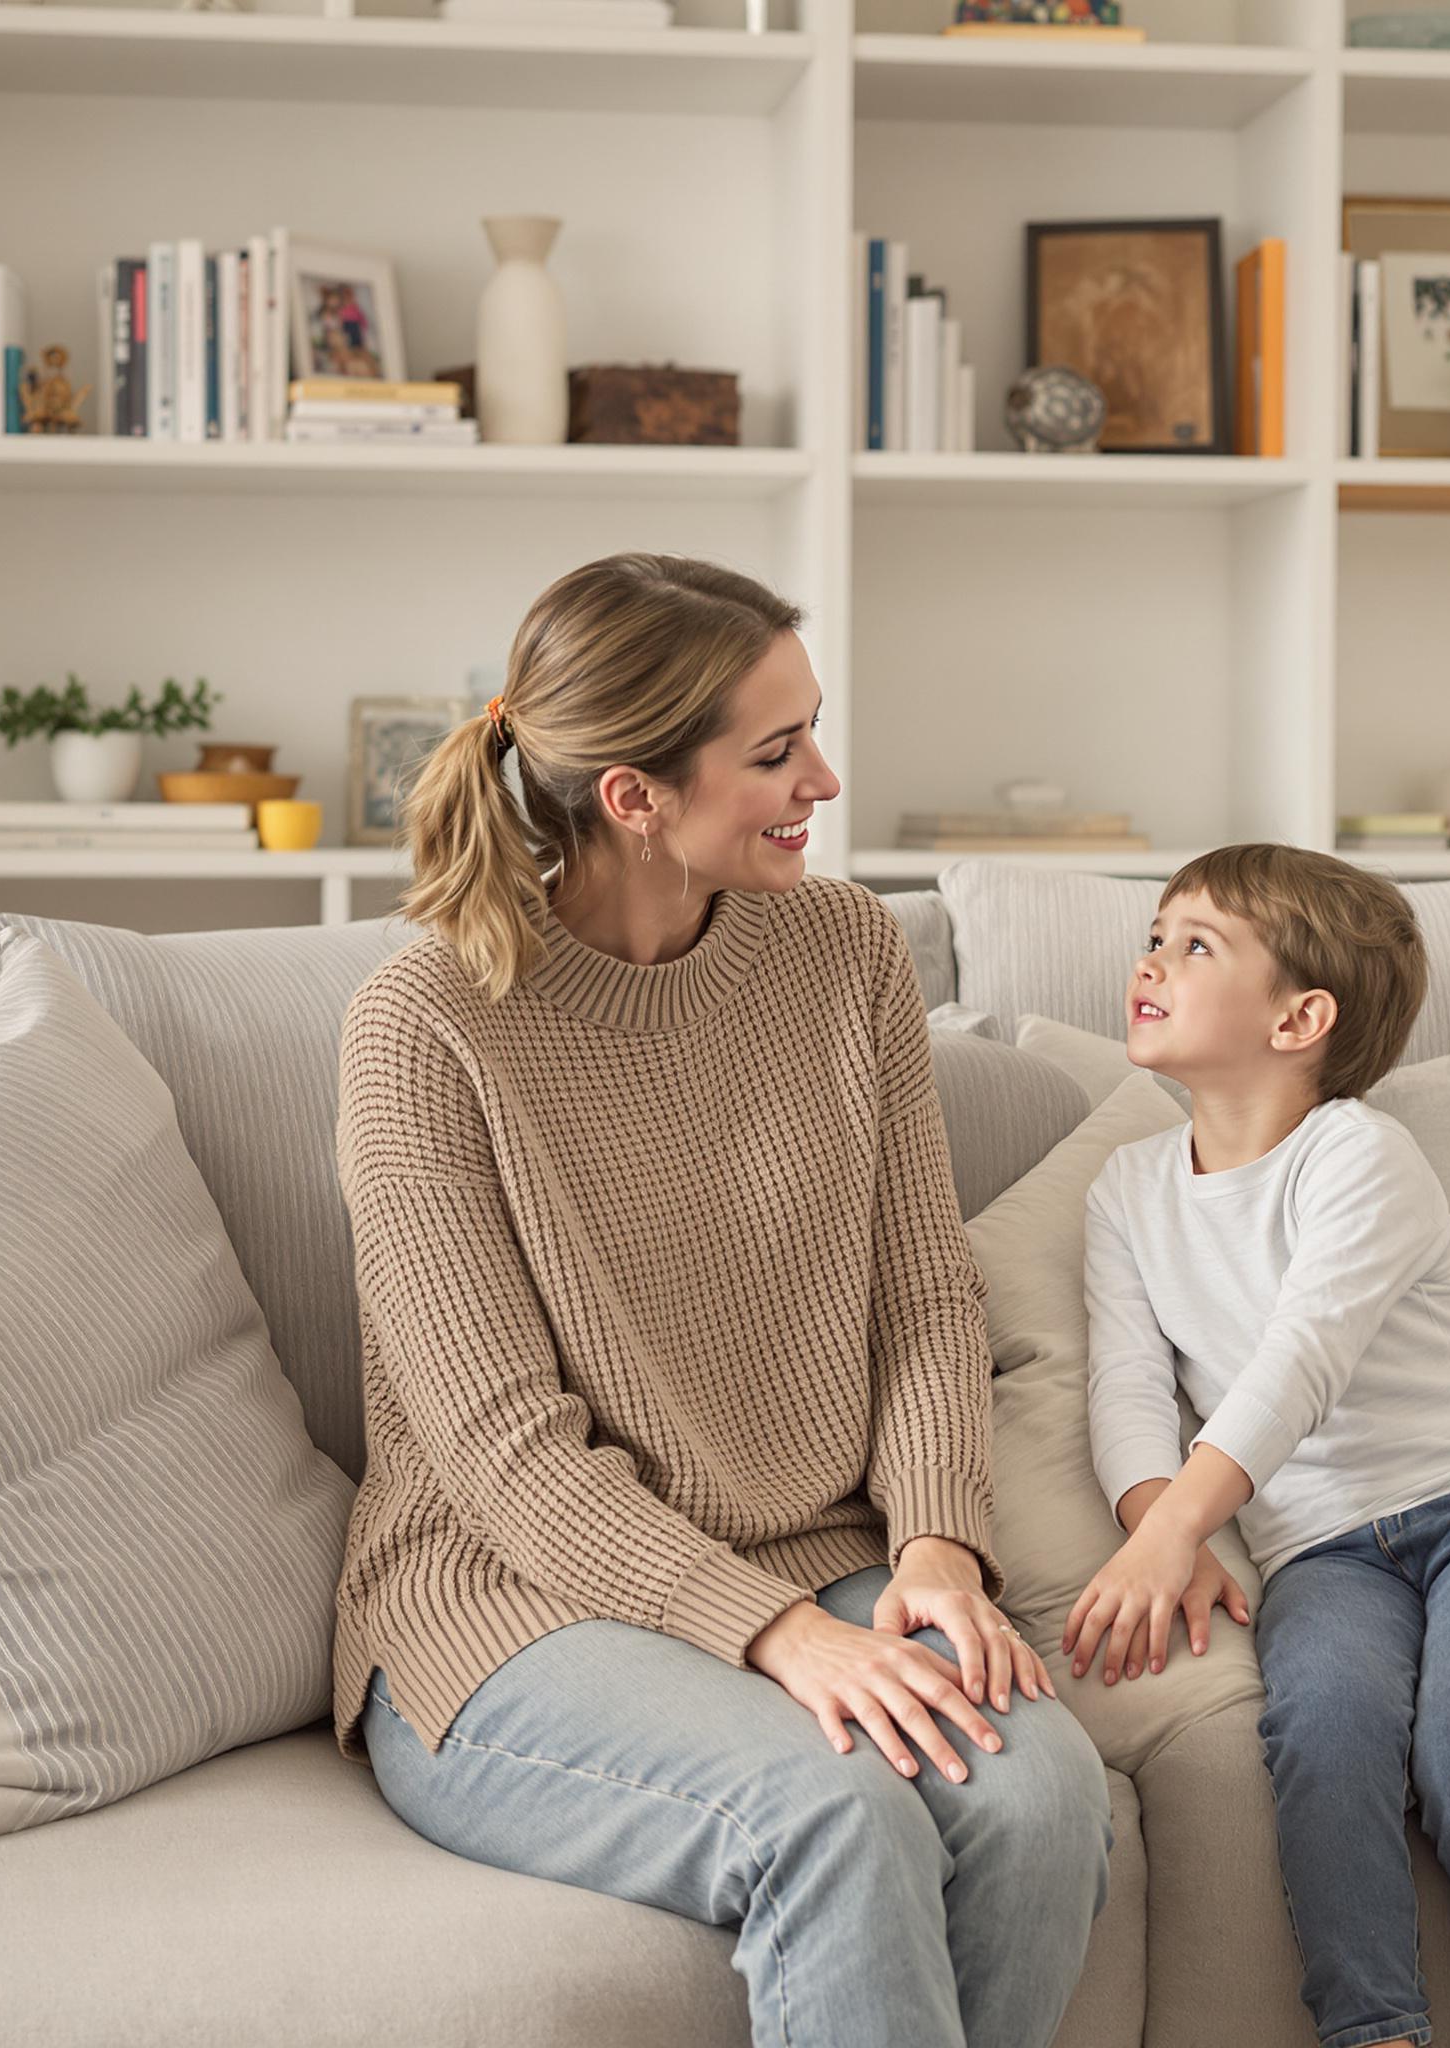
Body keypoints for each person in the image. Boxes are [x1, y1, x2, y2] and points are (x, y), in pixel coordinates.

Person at [331, 551, 1113, 2048]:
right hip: (508, 1605)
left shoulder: (844, 951)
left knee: (1040, 1794)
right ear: (633, 795)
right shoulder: (422, 1026)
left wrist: (940, 1545)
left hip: (819, 1549)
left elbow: (921, 1298)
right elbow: (508, 1464)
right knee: (835, 1817)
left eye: (812, 728)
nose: (822, 776)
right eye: (775, 753)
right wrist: (783, 1638)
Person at [1065, 843, 1450, 2048]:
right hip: (1324, 1553)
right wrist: (1156, 1520)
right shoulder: (1124, 1190)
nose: (1149, 959)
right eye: (1152, 934)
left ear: (1299, 1015)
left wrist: (1172, 1531)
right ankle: (1374, 2031)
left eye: (1194, 943)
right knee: (1320, 1732)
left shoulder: (1359, 1153)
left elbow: (1297, 1361)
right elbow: (1123, 1386)